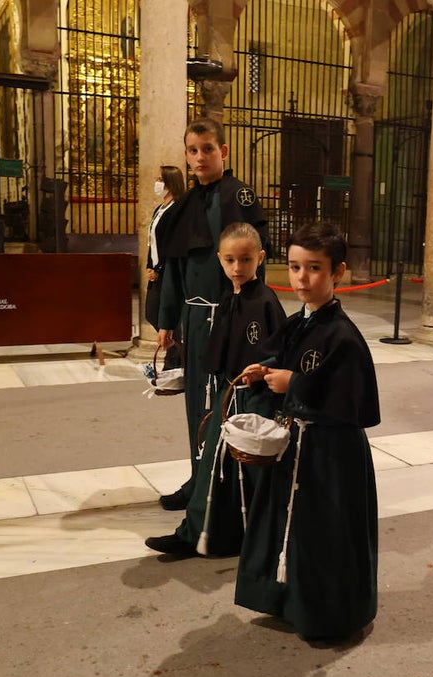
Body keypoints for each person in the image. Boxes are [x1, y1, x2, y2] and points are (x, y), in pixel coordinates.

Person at [235, 222, 379, 644]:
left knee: (324, 533)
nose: (302, 277)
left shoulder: (343, 336)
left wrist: (293, 383)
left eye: (314, 268)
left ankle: (328, 615)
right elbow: (281, 356)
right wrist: (263, 372)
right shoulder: (300, 322)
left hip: (330, 454)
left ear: (339, 273)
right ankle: (290, 601)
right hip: (297, 443)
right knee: (291, 526)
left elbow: (352, 402)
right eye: (295, 267)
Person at [145, 222, 286, 558]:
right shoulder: (228, 297)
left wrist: (262, 369)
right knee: (213, 465)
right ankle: (199, 533)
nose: (237, 268)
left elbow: (278, 350)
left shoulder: (265, 301)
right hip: (227, 394)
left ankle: (206, 535)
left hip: (251, 401)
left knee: (226, 468)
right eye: (230, 260)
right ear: (220, 262)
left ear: (260, 258)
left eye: (246, 260)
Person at [156, 118, 273, 511]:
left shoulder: (240, 197)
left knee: (227, 402)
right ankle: (197, 479)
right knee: (196, 406)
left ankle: (226, 487)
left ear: (223, 152)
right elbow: (173, 267)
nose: (200, 157)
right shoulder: (185, 205)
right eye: (192, 150)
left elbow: (255, 258)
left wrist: (247, 312)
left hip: (231, 319)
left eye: (207, 148)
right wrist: (167, 321)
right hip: (193, 320)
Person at [144, 165, 187, 370]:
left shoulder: (176, 209)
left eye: (160, 179)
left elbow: (172, 244)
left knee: (166, 315)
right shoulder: (159, 208)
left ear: (170, 182)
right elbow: (152, 241)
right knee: (151, 313)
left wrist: (159, 269)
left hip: (167, 270)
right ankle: (177, 353)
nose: (157, 182)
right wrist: (149, 266)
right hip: (156, 270)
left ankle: (175, 359)